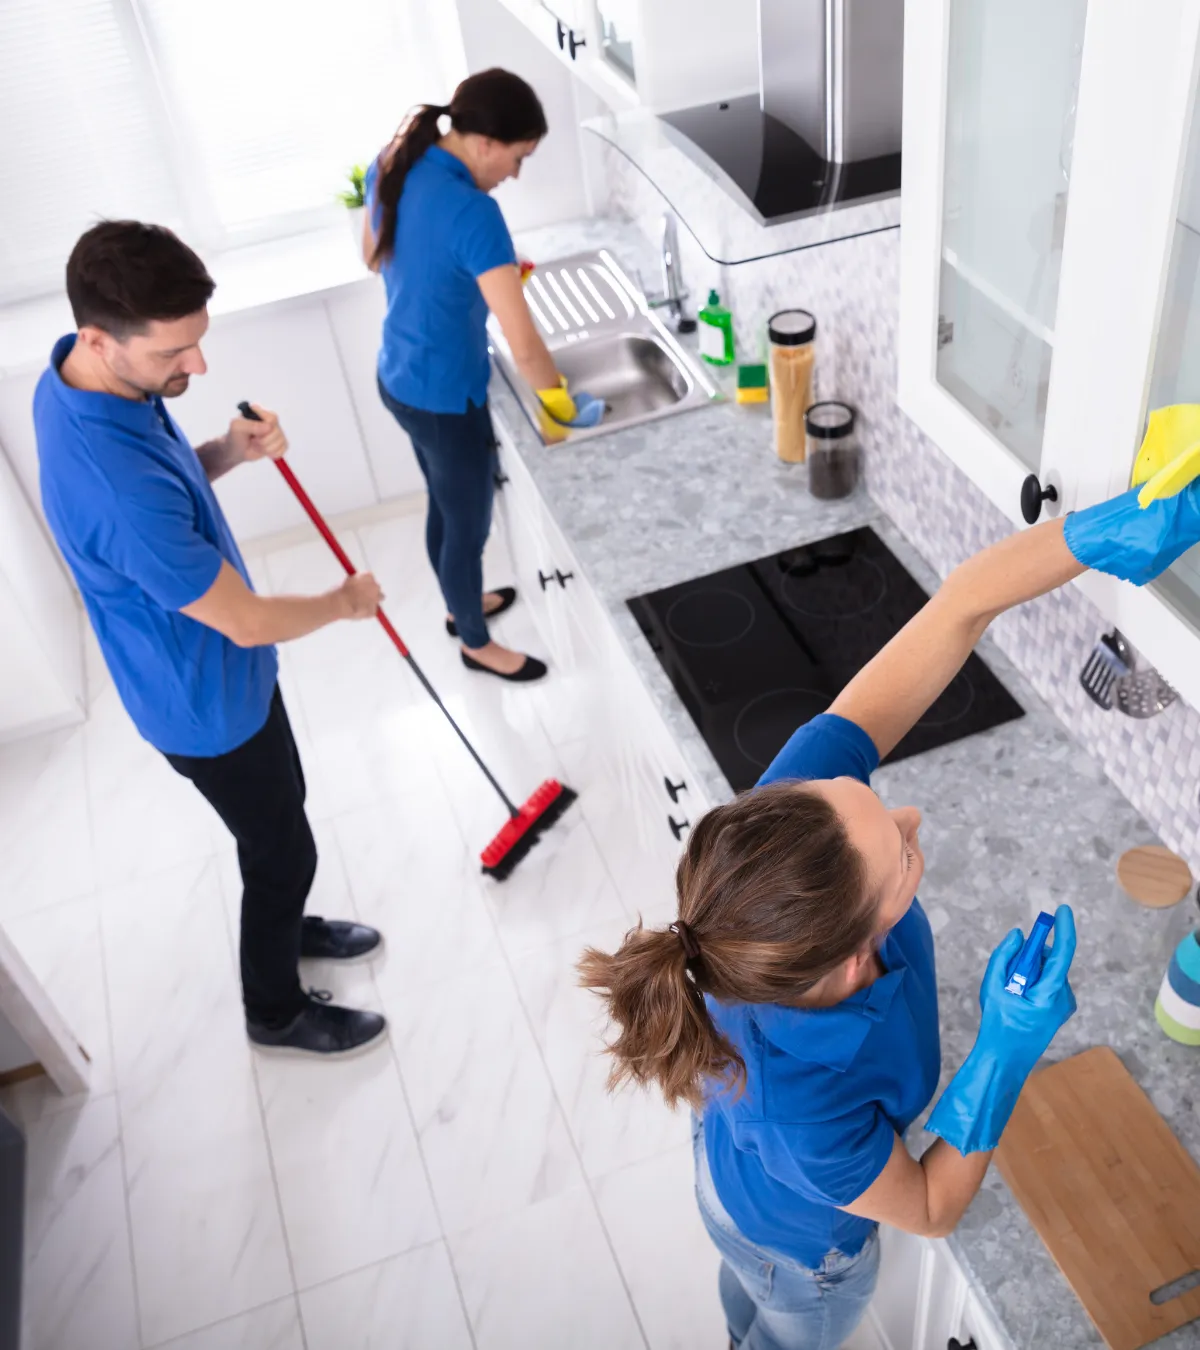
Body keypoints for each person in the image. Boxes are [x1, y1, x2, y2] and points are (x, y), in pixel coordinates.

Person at [579, 483, 1200, 1350]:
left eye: (864, 795)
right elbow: (930, 1206)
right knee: (781, 1324)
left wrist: (1095, 535)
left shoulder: (788, 832)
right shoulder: (802, 1103)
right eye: (901, 858)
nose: (910, 821)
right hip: (797, 1249)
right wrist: (1005, 1046)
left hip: (737, 1170)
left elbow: (960, 606)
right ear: (845, 962)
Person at [34, 221, 388, 1059]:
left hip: (217, 677)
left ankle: (289, 920)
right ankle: (274, 1013)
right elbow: (245, 618)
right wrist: (342, 601)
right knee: (280, 850)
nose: (197, 368)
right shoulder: (113, 485)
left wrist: (228, 448)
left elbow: (169, 488)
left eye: (198, 343)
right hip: (205, 704)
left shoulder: (82, 380)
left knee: (280, 823)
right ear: (100, 337)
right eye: (176, 354)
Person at [363, 67, 603, 683]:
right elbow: (524, 344)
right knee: (466, 525)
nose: (516, 174)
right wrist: (562, 403)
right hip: (445, 396)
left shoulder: (394, 162)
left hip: (398, 375)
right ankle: (474, 641)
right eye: (519, 157)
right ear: (487, 142)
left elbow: (374, 257)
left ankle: (456, 603)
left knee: (444, 507)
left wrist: (467, 273)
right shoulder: (475, 213)